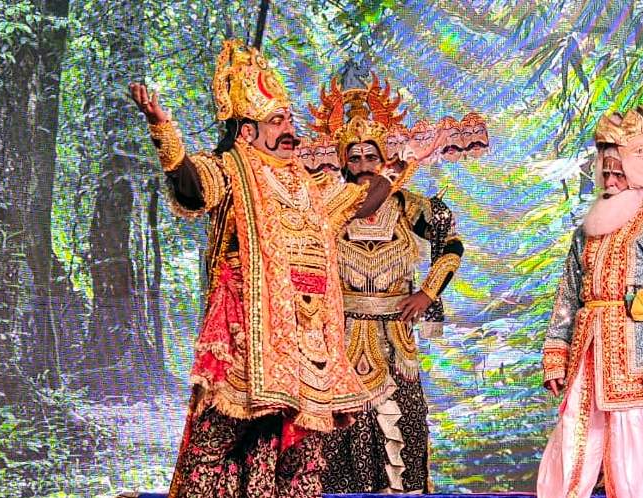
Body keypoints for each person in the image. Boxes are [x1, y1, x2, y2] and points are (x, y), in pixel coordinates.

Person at [128, 39, 409, 498]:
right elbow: (193, 188)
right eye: (277, 121)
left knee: (303, 453)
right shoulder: (231, 169)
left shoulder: (310, 185)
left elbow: (361, 200)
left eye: (290, 121)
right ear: (246, 132)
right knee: (220, 438)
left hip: (309, 337)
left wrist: (389, 166)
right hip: (248, 328)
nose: (290, 131)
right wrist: (164, 130)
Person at [308, 72, 463, 493]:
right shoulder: (331, 209)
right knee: (342, 424)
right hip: (341, 333)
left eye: (370, 158)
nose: (362, 166)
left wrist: (427, 293)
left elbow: (451, 244)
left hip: (395, 333)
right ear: (342, 162)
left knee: (405, 416)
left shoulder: (408, 206)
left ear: (383, 160)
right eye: (354, 158)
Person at [537, 107, 643, 498]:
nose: (609, 181)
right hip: (586, 355)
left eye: (618, 173)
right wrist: (555, 353)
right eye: (605, 173)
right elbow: (567, 297)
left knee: (632, 447)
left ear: (637, 174)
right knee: (573, 439)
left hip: (637, 360)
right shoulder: (586, 232)